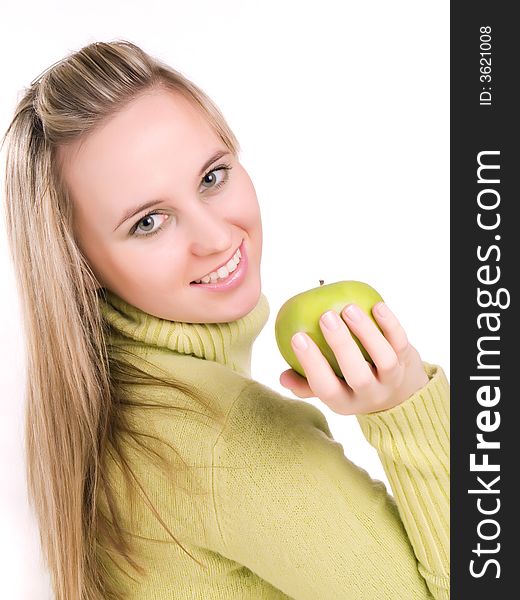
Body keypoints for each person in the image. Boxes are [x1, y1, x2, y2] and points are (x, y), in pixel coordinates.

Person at [2, 40, 450, 600]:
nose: (216, 238)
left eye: (212, 178)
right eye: (148, 222)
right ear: (79, 262)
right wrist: (405, 403)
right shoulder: (230, 447)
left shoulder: (111, 403)